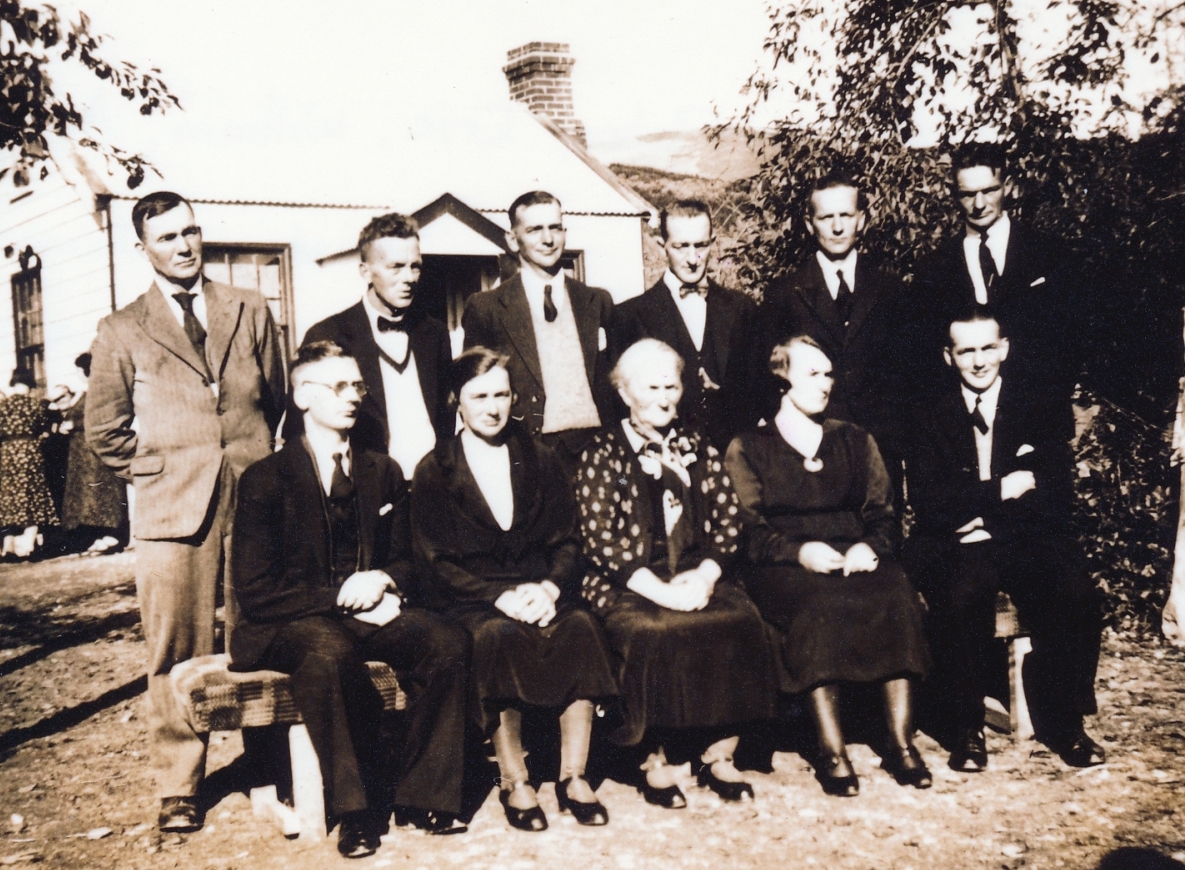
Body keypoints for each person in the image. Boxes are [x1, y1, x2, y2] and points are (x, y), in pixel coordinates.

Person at [86, 191, 286, 833]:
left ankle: (270, 767)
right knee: (176, 646)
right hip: (172, 515)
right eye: (168, 237)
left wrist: (255, 463)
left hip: (252, 498)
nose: (184, 245)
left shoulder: (249, 308)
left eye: (191, 232)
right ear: (145, 246)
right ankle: (179, 785)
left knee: (262, 630)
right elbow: (105, 429)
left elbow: (276, 399)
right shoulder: (122, 328)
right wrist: (161, 471)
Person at [232, 342, 470, 857]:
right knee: (329, 654)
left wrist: (382, 577)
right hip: (289, 621)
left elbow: (409, 560)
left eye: (357, 385)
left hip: (365, 610)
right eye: (338, 387)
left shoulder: (381, 471)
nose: (353, 397)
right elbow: (255, 592)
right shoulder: (264, 479)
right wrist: (340, 595)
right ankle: (355, 811)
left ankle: (423, 794)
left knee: (445, 640)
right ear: (301, 397)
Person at [412, 348, 618, 832]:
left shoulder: (540, 458)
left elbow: (568, 540)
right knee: (495, 638)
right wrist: (495, 596)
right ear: (455, 404)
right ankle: (516, 780)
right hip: (473, 599)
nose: (492, 407)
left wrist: (548, 588)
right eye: (478, 396)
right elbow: (434, 561)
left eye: (501, 394)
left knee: (581, 627)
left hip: (539, 589)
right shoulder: (435, 469)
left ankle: (574, 776)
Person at [726, 336, 931, 797]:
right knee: (817, 603)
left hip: (851, 554)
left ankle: (901, 742)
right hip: (784, 563)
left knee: (895, 593)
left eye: (828, 374)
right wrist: (798, 552)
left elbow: (882, 511)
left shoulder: (854, 439)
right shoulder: (749, 446)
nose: (824, 385)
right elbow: (748, 528)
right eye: (812, 374)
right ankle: (832, 749)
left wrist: (871, 547)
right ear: (782, 379)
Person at [576, 339, 776, 808]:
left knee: (740, 620)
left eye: (673, 385)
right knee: (650, 631)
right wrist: (664, 594)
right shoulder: (602, 452)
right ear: (625, 394)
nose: (666, 398)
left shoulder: (696, 445)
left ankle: (719, 752)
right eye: (653, 388)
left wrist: (706, 577)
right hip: (628, 580)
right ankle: (653, 758)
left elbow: (729, 521)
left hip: (693, 573)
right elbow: (601, 540)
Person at [904, 307, 1104, 771]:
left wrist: (980, 513)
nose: (978, 361)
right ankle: (967, 727)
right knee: (961, 595)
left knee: (1074, 593)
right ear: (949, 357)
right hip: (956, 543)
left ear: (1004, 349)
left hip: (1022, 534)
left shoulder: (1039, 405)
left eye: (987, 348)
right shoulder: (928, 413)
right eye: (966, 351)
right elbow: (933, 505)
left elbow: (1055, 495)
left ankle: (1065, 722)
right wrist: (1002, 489)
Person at [911, 142, 1081, 433]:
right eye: (967, 194)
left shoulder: (1050, 253)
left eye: (989, 191)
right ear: (955, 195)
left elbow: (1071, 342)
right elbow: (929, 358)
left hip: (1040, 424)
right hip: (965, 431)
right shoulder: (933, 268)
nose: (979, 204)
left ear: (1007, 186)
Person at [761, 171, 909, 503]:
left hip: (878, 454)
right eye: (827, 217)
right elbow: (767, 383)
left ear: (862, 219)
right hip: (809, 454)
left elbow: (908, 379)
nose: (838, 227)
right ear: (810, 223)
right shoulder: (784, 295)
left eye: (846, 215)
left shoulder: (891, 291)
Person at [461, 191, 615, 475]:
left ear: (564, 232)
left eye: (555, 228)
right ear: (512, 239)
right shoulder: (487, 308)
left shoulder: (597, 302)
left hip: (596, 450)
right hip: (528, 453)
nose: (548, 240)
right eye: (534, 230)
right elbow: (473, 388)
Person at [295, 213, 454, 478]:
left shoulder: (434, 332)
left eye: (415, 266)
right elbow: (299, 430)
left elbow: (446, 417)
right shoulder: (328, 333)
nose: (409, 277)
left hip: (432, 487)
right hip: (365, 489)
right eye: (396, 266)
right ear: (365, 271)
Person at [613, 201, 764, 450]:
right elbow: (621, 405)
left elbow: (759, 391)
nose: (693, 259)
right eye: (682, 247)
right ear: (662, 247)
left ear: (712, 242)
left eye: (701, 246)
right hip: (664, 461)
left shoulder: (742, 309)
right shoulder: (629, 316)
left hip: (735, 457)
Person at [59, 353, 127, 554]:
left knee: (101, 493)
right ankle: (100, 536)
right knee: (91, 495)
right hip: (83, 453)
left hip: (94, 452)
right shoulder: (88, 392)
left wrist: (75, 424)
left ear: (83, 371)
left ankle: (111, 536)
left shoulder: (98, 392)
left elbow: (100, 419)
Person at [0, 369, 58, 559]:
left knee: (10, 497)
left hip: (7, 453)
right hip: (29, 452)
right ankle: (29, 544)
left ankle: (7, 546)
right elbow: (44, 427)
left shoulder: (2, 405)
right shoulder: (35, 405)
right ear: (29, 385)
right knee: (32, 495)